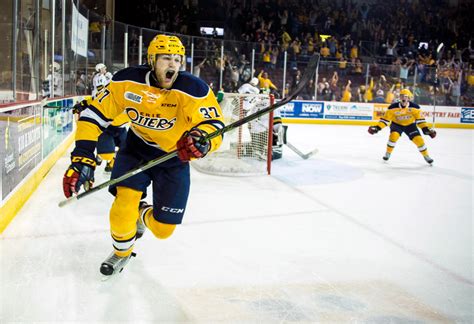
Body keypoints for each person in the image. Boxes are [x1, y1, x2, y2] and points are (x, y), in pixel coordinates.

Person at [62, 34, 224, 276]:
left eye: (177, 59)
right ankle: (122, 251)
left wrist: (203, 140)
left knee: (163, 230)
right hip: (136, 150)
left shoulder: (194, 89)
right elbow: (92, 116)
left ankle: (142, 213)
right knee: (122, 205)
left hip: (174, 158)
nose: (172, 65)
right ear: (151, 60)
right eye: (166, 58)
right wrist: (82, 157)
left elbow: (214, 124)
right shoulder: (127, 81)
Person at [368, 88, 436, 164]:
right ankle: (388, 153)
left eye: (406, 96)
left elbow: (420, 121)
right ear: (399, 97)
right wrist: (377, 128)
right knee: (393, 136)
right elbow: (385, 120)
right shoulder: (392, 107)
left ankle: (426, 156)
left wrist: (426, 129)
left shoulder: (415, 108)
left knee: (419, 140)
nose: (403, 98)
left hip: (410, 125)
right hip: (397, 124)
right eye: (402, 96)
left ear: (409, 98)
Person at [238, 77, 283, 160]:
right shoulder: (272, 102)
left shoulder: (256, 103)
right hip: (265, 133)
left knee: (257, 142)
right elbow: (277, 121)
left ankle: (258, 149)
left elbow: (249, 120)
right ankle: (265, 151)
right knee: (276, 133)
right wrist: (278, 132)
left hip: (254, 133)